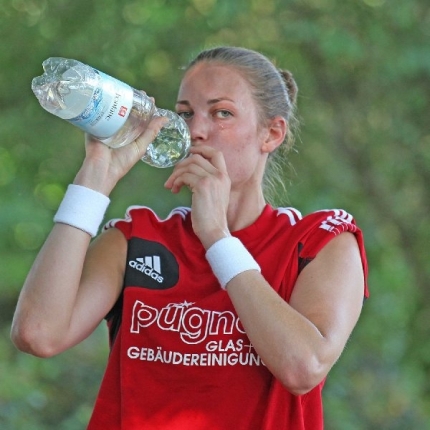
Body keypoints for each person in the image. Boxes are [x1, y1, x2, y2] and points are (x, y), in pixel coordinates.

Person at [11, 46, 369, 429]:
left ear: (271, 133)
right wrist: (96, 176)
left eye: (222, 113)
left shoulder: (319, 240)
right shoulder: (137, 239)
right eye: (185, 113)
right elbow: (37, 334)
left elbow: (303, 367)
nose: (196, 130)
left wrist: (216, 237)